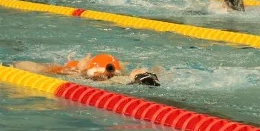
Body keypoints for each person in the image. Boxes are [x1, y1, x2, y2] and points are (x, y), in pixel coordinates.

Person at [15, 54, 159, 85]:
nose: (103, 77)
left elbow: (158, 71)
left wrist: (140, 76)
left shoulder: (120, 76)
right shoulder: (72, 72)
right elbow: (23, 65)